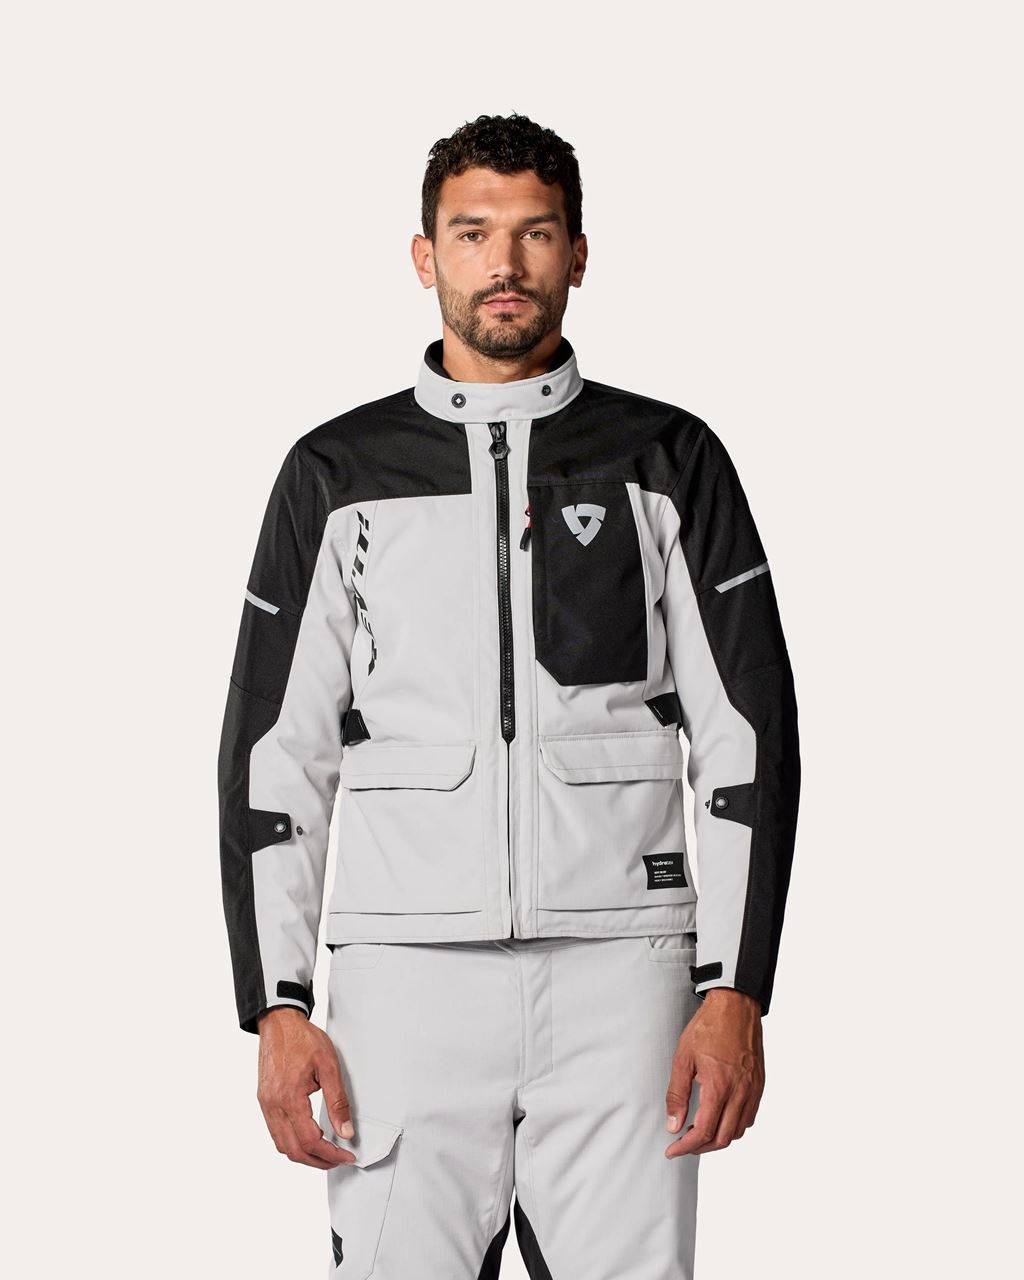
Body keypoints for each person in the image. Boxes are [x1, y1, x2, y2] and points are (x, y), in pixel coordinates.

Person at [217, 111, 801, 1279]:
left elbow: (747, 738)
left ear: (578, 253)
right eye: (472, 231)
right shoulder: (337, 475)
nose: (505, 262)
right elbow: (276, 754)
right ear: (423, 254)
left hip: (624, 981)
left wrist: (734, 989)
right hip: (402, 983)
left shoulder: (669, 458)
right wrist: (277, 1003)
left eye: (535, 233)